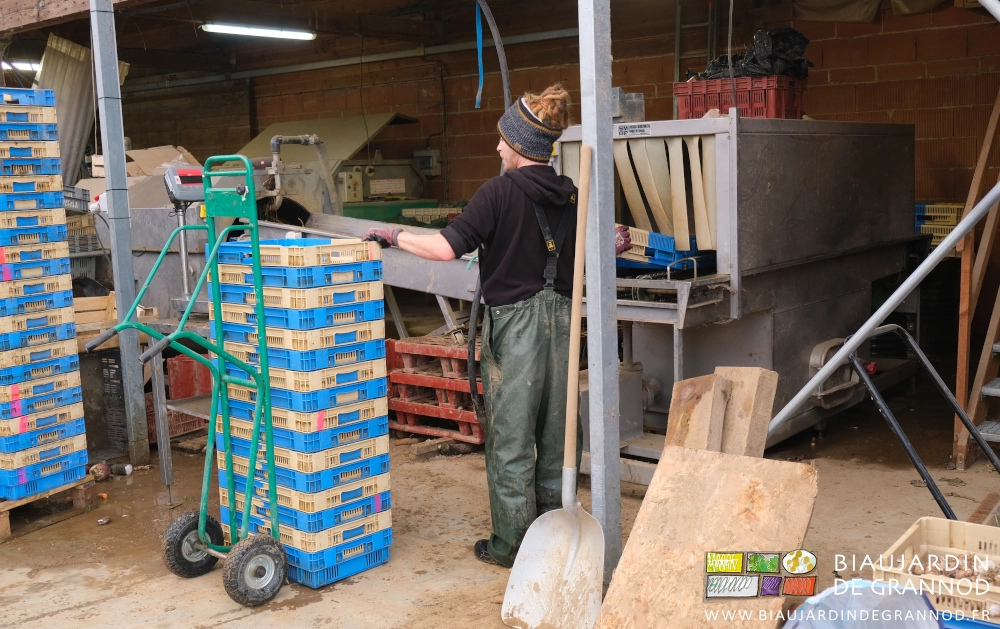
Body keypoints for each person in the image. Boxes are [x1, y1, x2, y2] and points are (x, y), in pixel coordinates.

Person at [365, 84, 631, 567]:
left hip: (516, 328)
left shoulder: (497, 192)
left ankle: (511, 545)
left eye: (502, 140)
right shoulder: (573, 193)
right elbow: (596, 251)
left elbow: (447, 249)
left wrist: (393, 235)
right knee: (558, 435)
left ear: (521, 145)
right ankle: (555, 536)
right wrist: (611, 239)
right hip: (566, 326)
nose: (497, 147)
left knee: (511, 441)